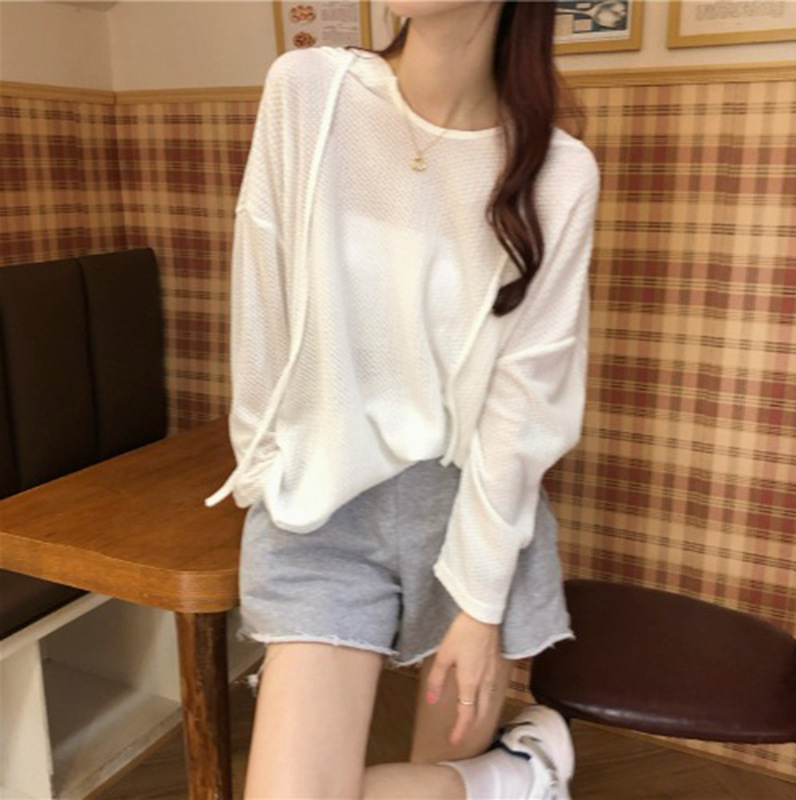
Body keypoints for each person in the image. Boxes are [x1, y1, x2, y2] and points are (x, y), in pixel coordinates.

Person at [204, 1, 600, 797]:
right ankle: (514, 778)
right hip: (322, 507)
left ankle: (505, 773)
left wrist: (480, 605)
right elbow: (261, 301)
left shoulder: (558, 173)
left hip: (468, 514)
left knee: (430, 775)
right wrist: (266, 472)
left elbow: (523, 406)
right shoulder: (309, 92)